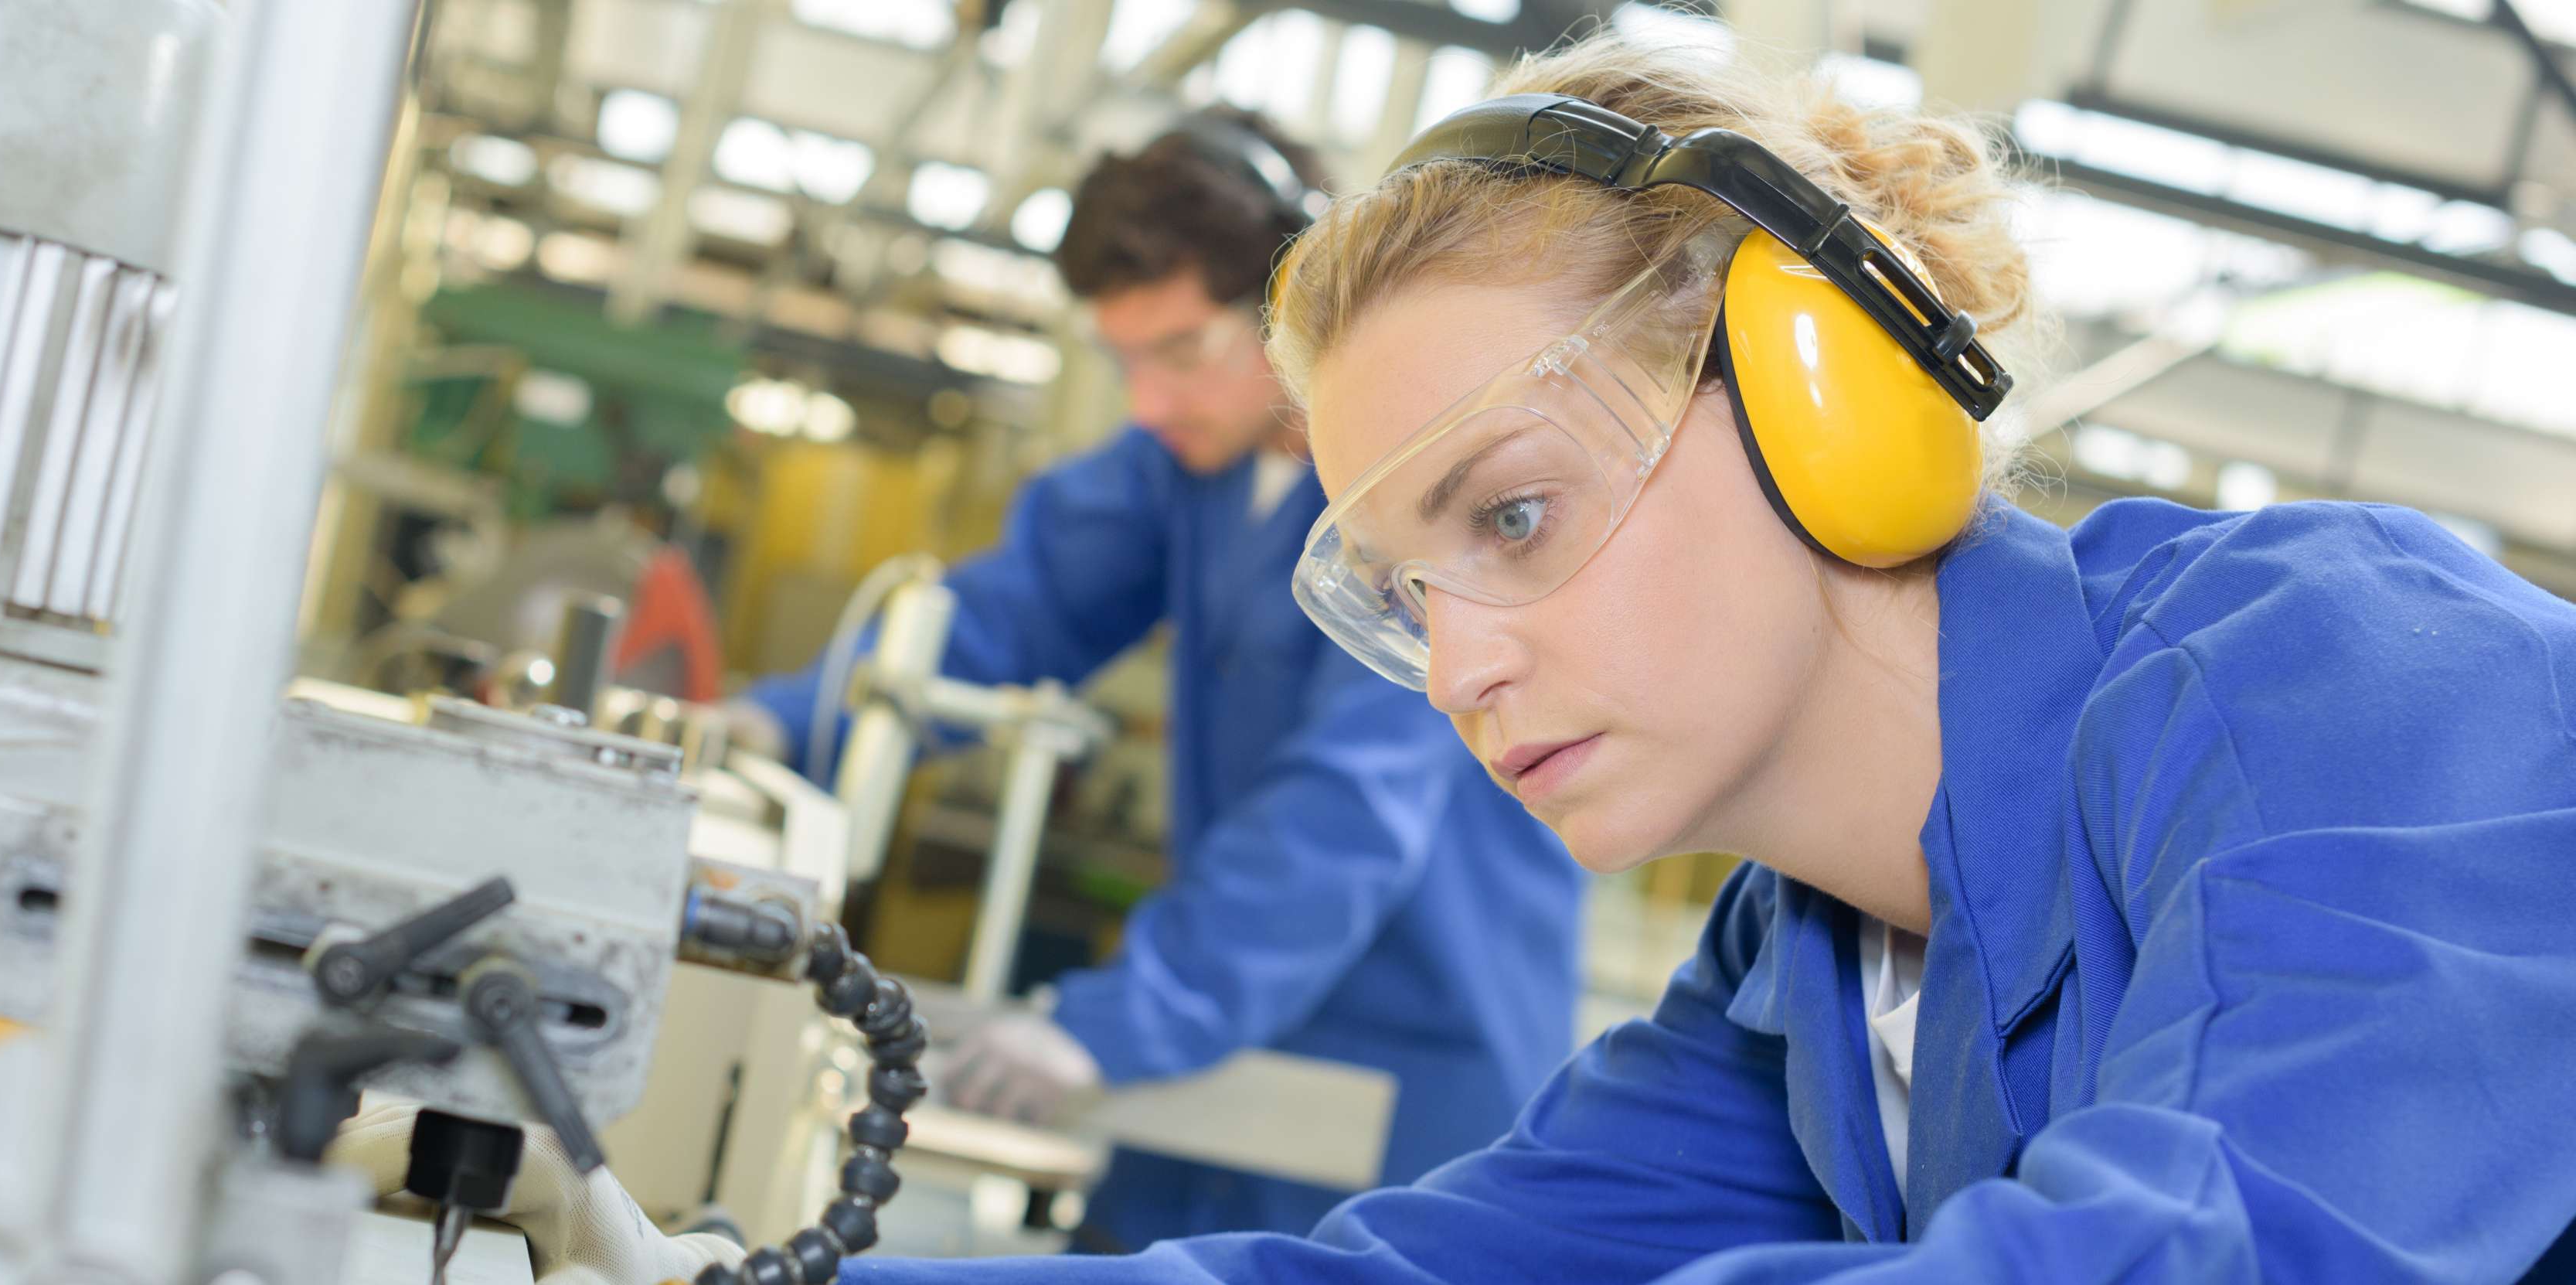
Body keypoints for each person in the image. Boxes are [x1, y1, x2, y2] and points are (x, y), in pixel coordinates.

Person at [344, 30, 2576, 1285]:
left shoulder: (2342, 681)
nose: (1460, 659)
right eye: (1401, 590)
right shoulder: (1796, 983)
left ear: (1831, 392)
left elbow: (2207, 1256)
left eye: (1509, 515)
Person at [727, 109, 1587, 1249]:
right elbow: (1011, 609)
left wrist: (1126, 1020)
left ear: (1299, 299)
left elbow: (1342, 814)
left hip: (1402, 1075)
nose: (1149, 400)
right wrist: (772, 727)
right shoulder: (1188, 475)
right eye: (1124, 358)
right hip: (1209, 1044)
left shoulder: (1428, 500)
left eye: (1181, 353)